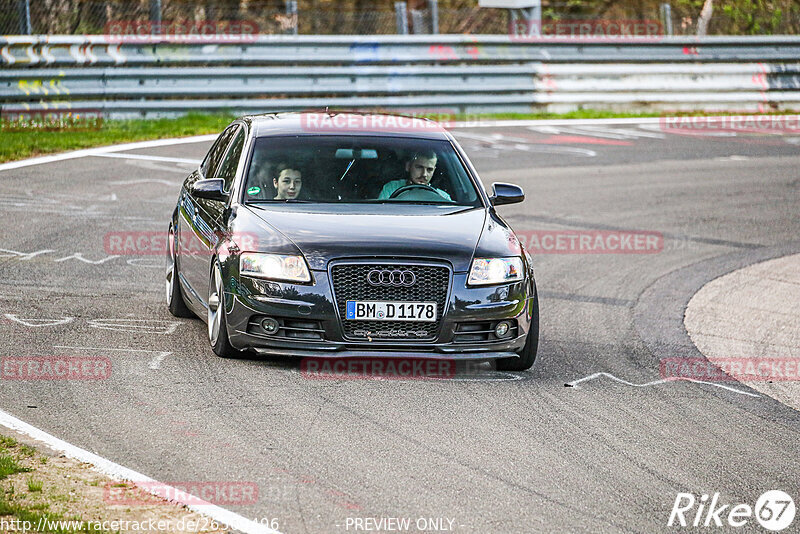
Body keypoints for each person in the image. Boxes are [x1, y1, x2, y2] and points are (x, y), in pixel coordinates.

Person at [377, 150, 451, 201]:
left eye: (429, 170)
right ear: (408, 166)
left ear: (434, 171)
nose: (424, 174)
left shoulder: (443, 197)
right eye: (419, 167)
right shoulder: (390, 189)